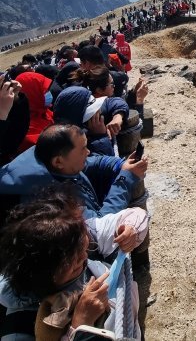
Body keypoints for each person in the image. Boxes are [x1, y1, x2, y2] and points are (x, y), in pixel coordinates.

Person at [0, 184, 147, 340]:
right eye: (76, 261)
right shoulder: (18, 330)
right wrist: (80, 324)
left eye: (85, 248)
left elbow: (136, 215)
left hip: (127, 324)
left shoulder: (74, 235)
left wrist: (131, 229)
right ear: (45, 274)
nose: (85, 257)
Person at [0, 123, 147, 221]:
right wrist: (126, 178)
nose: (88, 152)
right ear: (58, 161)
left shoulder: (51, 162)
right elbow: (100, 223)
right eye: (83, 148)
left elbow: (93, 163)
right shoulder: (51, 201)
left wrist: (119, 164)